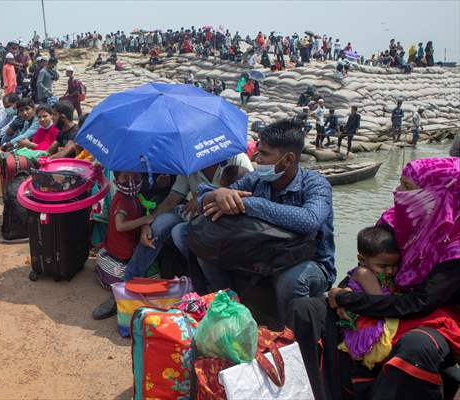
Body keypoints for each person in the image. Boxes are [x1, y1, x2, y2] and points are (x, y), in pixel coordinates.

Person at [328, 157, 460, 400]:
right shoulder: (397, 219)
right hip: (386, 299)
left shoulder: (454, 246)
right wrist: (342, 292)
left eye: (407, 187)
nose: (397, 191)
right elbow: (366, 263)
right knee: (312, 310)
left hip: (435, 317)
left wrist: (349, 300)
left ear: (438, 194)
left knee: (416, 345)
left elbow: (420, 304)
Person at [197, 119, 335, 322]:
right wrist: (220, 193)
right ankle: (231, 313)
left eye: (264, 154)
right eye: (258, 151)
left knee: (291, 281)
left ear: (288, 159)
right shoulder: (256, 180)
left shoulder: (316, 185)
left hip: (310, 262)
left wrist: (252, 204)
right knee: (204, 247)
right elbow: (203, 196)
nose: (257, 159)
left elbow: (310, 219)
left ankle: (292, 340)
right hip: (264, 255)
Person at [92, 152, 253, 319]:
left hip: (223, 223)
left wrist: (206, 197)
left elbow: (250, 196)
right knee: (158, 226)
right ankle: (124, 288)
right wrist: (148, 223)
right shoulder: (189, 162)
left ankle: (205, 293)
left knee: (181, 234)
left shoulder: (237, 159)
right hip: (192, 216)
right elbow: (172, 200)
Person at [336, 225, 401, 369]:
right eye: (383, 266)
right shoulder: (364, 273)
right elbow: (379, 302)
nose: (390, 270)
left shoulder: (378, 272)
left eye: (395, 265)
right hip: (369, 319)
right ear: (361, 259)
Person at [93, 171, 154, 293]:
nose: (131, 182)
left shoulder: (134, 197)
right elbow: (120, 226)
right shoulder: (121, 200)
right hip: (123, 251)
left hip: (129, 246)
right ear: (115, 182)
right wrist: (144, 220)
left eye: (136, 177)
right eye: (125, 178)